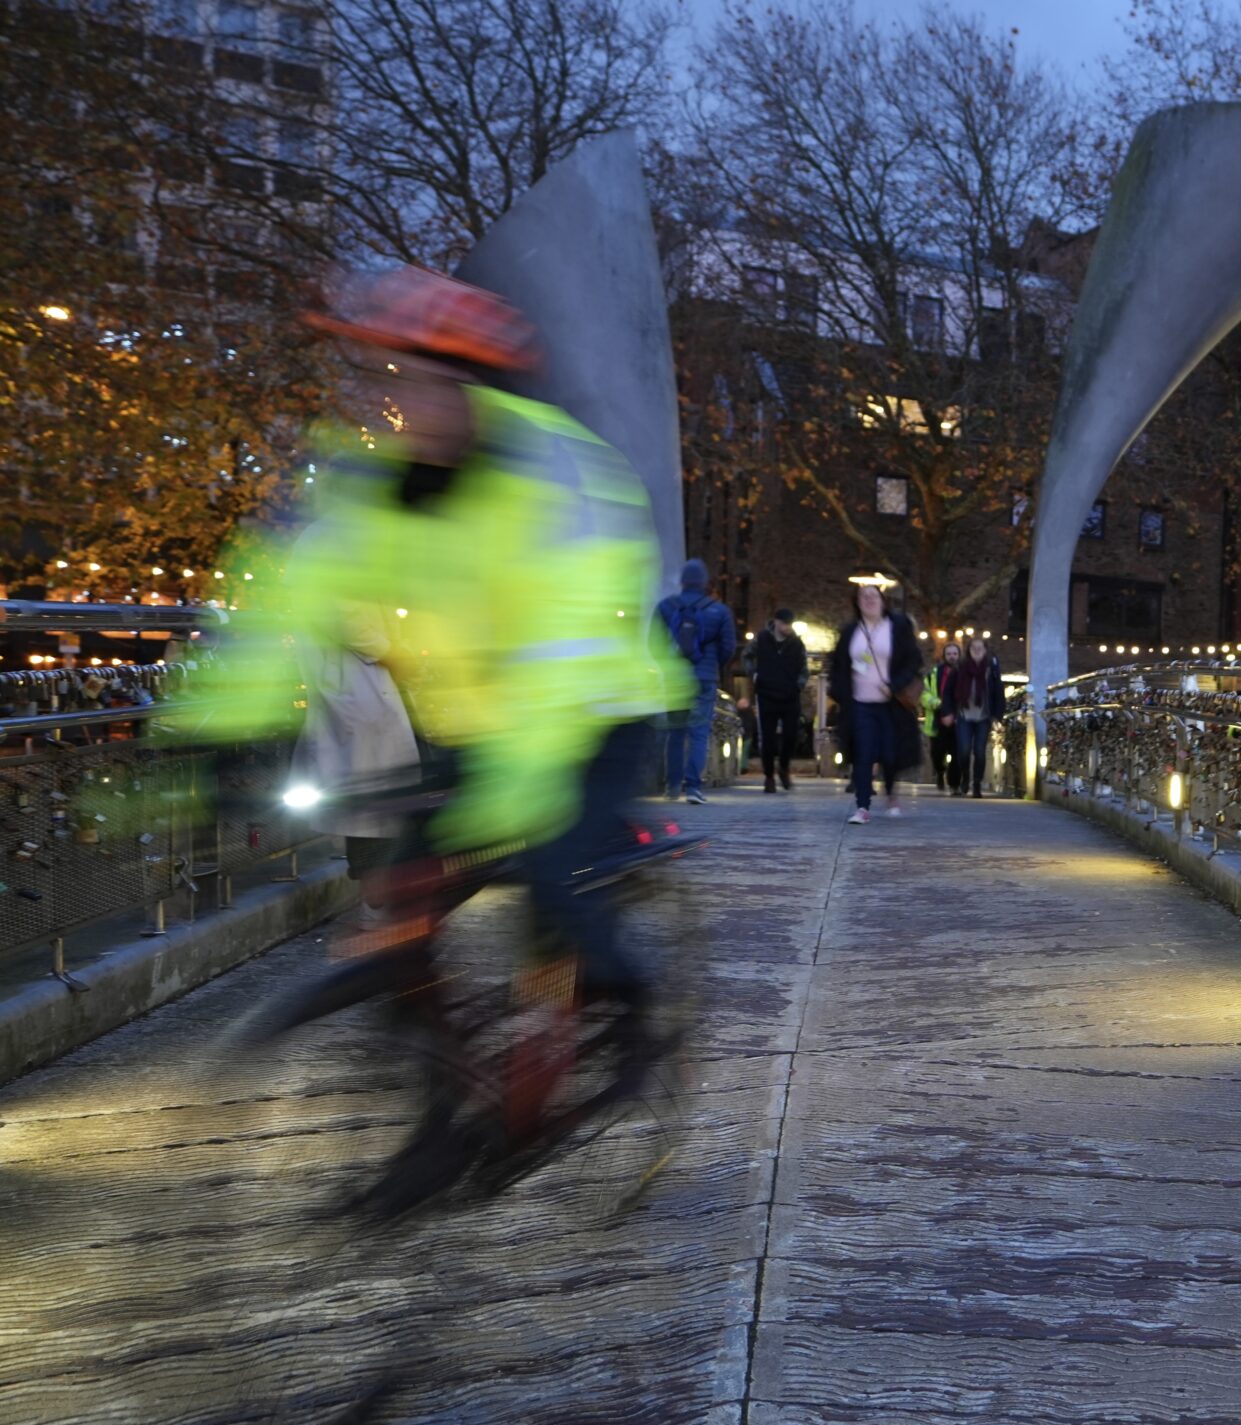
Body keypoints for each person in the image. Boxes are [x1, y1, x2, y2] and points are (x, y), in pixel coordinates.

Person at [190, 263, 689, 1218]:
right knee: (399, 914)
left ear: (474, 388)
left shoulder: (560, 476)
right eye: (382, 380)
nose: (395, 404)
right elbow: (285, 595)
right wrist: (221, 727)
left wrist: (509, 803)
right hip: (479, 727)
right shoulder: (377, 484)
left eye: (416, 382)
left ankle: (624, 1002)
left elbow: (566, 647)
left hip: (593, 715)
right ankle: (433, 1136)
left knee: (556, 878)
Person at [826, 581, 920, 824]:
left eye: (873, 595)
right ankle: (862, 806)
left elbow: (913, 661)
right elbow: (837, 664)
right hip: (860, 703)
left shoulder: (897, 626)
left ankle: (891, 794)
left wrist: (895, 685)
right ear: (857, 603)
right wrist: (840, 693)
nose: (868, 599)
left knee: (890, 753)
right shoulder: (850, 631)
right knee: (863, 752)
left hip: (891, 703)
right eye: (863, 596)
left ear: (882, 601)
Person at [655, 558, 736, 804]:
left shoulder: (666, 606)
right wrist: (711, 665)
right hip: (704, 678)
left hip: (675, 679)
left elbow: (653, 643)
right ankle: (693, 787)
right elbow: (728, 648)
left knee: (675, 733)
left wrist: (667, 666)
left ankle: (672, 786)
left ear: (682, 581)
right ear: (704, 582)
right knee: (699, 733)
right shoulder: (719, 611)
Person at [749, 608, 808, 792]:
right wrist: (754, 675)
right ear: (776, 622)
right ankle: (769, 776)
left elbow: (804, 667)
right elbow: (747, 656)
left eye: (789, 624)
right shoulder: (761, 639)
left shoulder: (796, 643)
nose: (787, 628)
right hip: (767, 694)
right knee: (768, 738)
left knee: (791, 735)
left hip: (790, 695)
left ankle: (783, 767)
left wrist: (799, 684)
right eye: (784, 624)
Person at [939, 635, 1004, 798]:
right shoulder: (960, 667)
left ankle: (976, 784)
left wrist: (998, 715)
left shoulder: (991, 668)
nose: (976, 651)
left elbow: (998, 691)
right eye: (973, 648)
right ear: (969, 650)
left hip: (983, 716)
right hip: (964, 715)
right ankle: (965, 777)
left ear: (985, 650)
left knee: (980, 751)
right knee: (963, 751)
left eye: (979, 648)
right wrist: (947, 711)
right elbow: (948, 692)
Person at [927, 641, 961, 792]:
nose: (952, 657)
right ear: (944, 656)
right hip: (938, 717)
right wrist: (936, 703)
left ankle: (954, 784)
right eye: (949, 654)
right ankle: (940, 771)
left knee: (956, 752)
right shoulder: (935, 673)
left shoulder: (963, 672)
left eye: (955, 654)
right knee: (937, 752)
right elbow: (925, 692)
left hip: (958, 718)